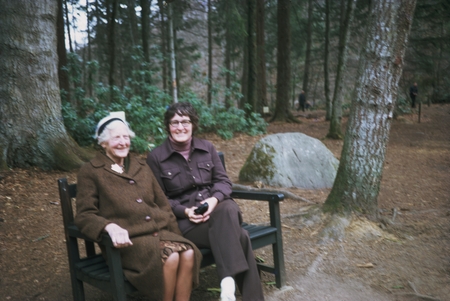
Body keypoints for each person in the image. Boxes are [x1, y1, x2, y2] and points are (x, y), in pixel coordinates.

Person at [74, 112, 202, 301]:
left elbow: (163, 204)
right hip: (127, 242)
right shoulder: (91, 171)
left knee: (189, 252)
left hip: (159, 233)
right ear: (103, 143)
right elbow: (85, 215)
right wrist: (108, 226)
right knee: (172, 257)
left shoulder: (141, 166)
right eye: (116, 137)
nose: (123, 142)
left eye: (126, 137)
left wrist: (176, 235)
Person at [147, 102, 265, 301]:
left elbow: (223, 182)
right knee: (241, 236)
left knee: (227, 208)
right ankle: (234, 287)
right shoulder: (156, 157)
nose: (180, 127)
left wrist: (213, 200)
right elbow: (159, 199)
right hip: (187, 222)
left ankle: (227, 281)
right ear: (167, 126)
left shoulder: (207, 148)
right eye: (175, 122)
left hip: (218, 210)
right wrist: (185, 211)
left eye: (185, 121)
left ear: (193, 124)